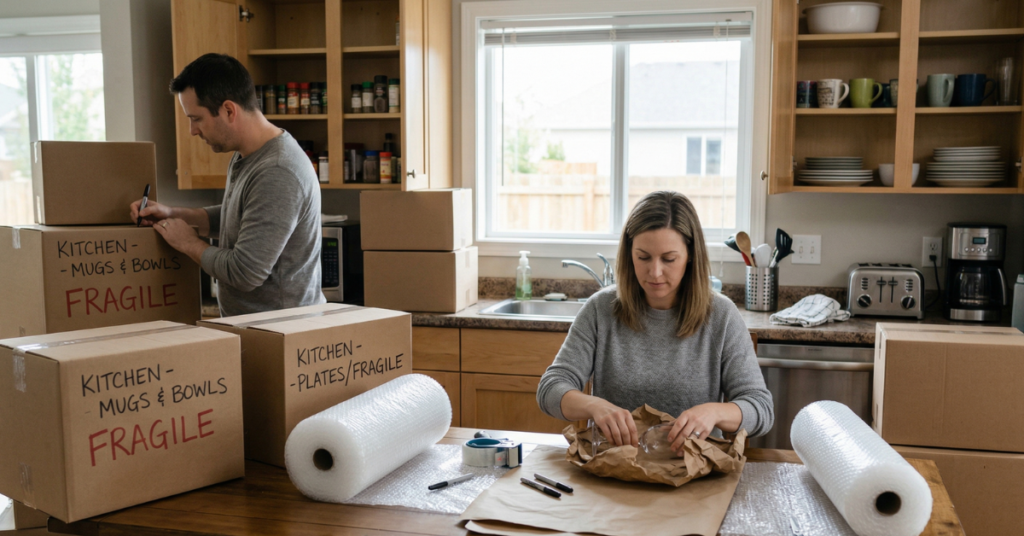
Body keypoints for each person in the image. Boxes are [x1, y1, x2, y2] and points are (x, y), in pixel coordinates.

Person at [537, 191, 773, 455]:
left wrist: (714, 412)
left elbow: (760, 409)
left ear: (690, 256)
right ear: (629, 254)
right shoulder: (600, 310)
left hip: (693, 476)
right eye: (643, 257)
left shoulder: (722, 315)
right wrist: (594, 406)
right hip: (614, 471)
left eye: (669, 259)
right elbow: (550, 389)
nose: (655, 272)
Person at [131, 53, 324, 317]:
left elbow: (245, 273)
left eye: (196, 118)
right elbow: (240, 217)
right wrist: (172, 214)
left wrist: (189, 243)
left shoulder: (277, 171)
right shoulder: (246, 154)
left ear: (229, 110)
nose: (192, 131)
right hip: (261, 329)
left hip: (282, 333)